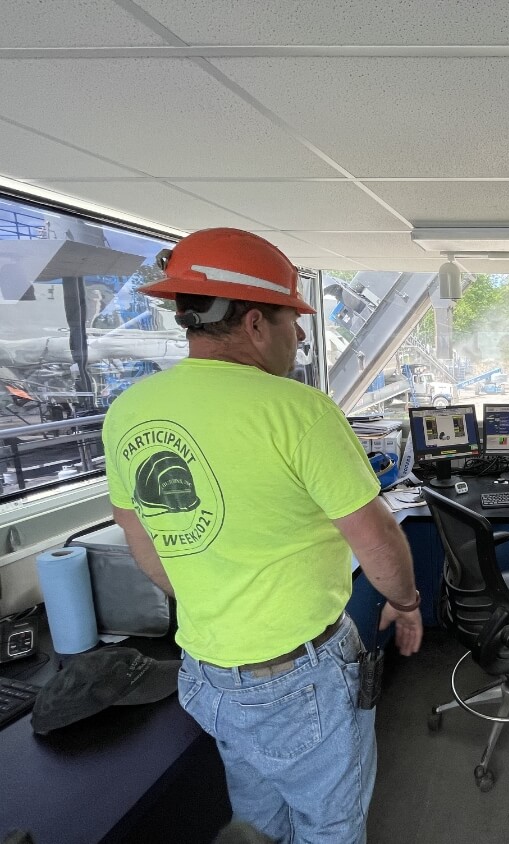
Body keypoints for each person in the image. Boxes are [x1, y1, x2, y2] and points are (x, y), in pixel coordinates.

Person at [101, 228, 423, 843]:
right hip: (299, 678)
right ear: (254, 324)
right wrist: (406, 604)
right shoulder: (298, 411)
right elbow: (377, 539)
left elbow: (136, 531)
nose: (301, 335)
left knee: (257, 820)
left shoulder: (128, 411)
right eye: (292, 319)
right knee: (329, 826)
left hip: (207, 671)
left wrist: (208, 592)